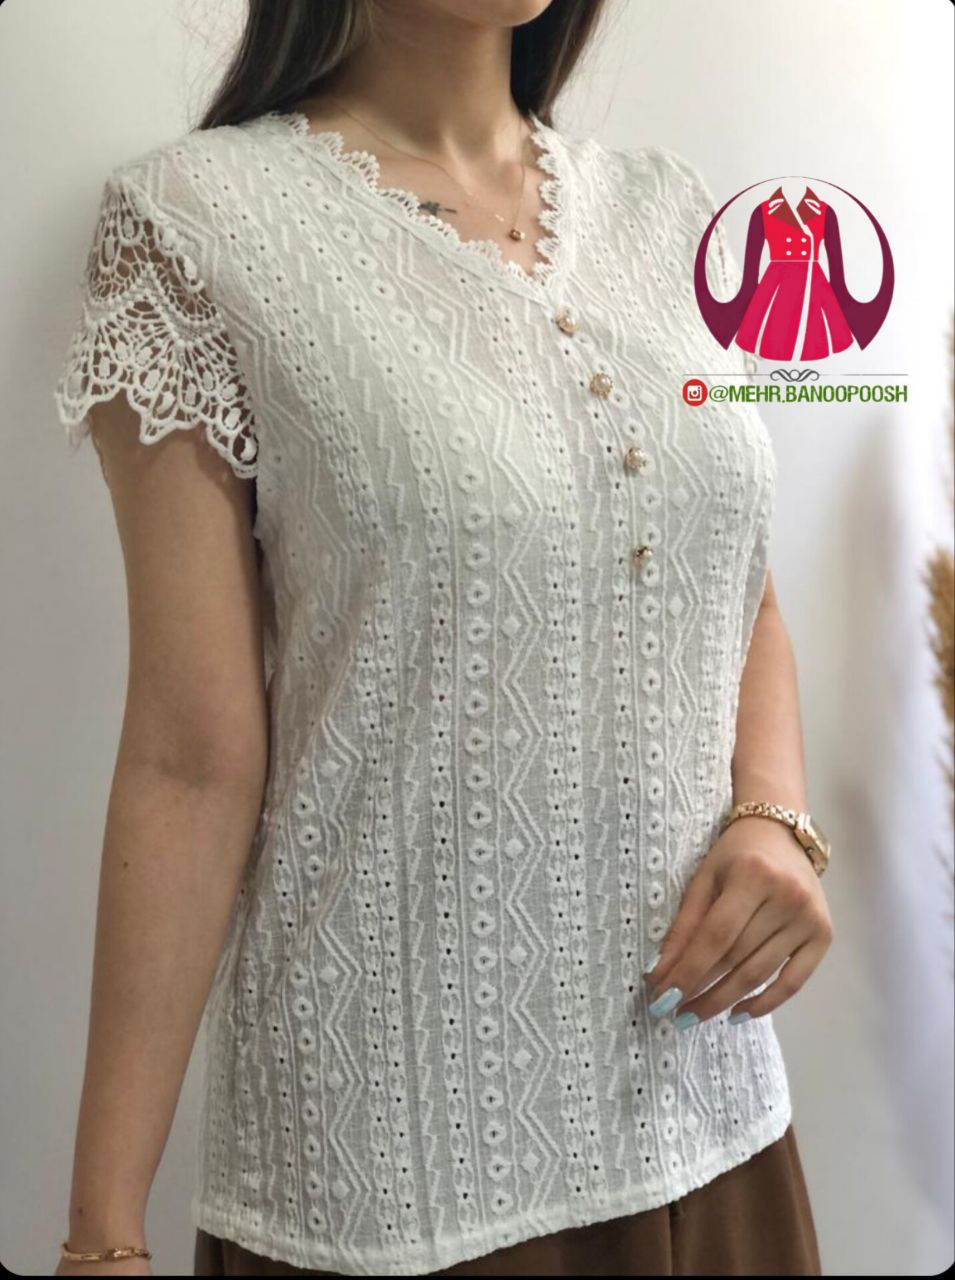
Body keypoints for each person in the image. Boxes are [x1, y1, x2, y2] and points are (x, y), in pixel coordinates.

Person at [51, 2, 833, 1275]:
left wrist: (774, 814)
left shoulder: (670, 212)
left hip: (715, 1121)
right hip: (395, 1179)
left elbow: (733, 585)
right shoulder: (197, 228)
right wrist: (103, 1233)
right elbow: (190, 758)